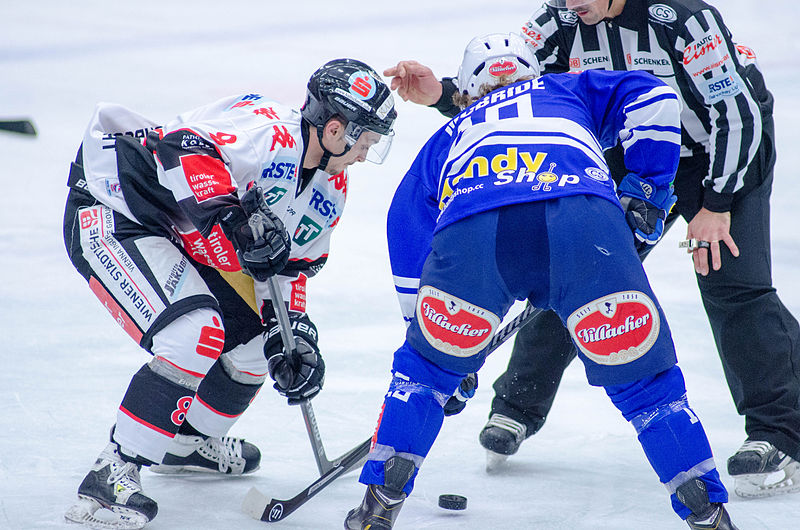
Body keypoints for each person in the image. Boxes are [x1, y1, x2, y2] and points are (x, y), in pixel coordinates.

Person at [383, 0, 800, 498]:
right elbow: (519, 92)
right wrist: (445, 94)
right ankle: (517, 406)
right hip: (633, 154)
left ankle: (778, 432)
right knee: (574, 268)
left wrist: (717, 202)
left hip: (720, 157)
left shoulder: (685, 19)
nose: (569, 2)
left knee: (733, 285)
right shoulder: (557, 20)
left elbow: (740, 112)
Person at [346, 32, 737, 530]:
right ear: (534, 72)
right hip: (583, 220)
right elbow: (655, 96)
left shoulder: (451, 132)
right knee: (647, 387)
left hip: (477, 226)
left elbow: (406, 224)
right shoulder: (568, 89)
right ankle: (706, 510)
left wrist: (430, 338)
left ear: (466, 92)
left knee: (422, 376)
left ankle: (378, 504)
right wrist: (648, 189)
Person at [62, 58, 396, 529]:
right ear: (336, 129)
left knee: (263, 345)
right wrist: (234, 220)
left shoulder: (332, 186)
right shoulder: (268, 133)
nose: (366, 153)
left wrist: (293, 336)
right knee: (194, 334)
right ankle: (115, 468)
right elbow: (182, 147)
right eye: (366, 141)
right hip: (114, 207)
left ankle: (187, 441)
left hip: (177, 236)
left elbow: (290, 270)